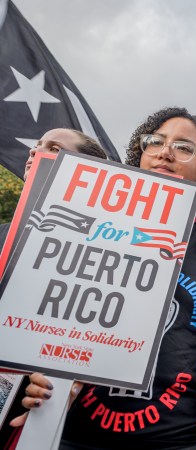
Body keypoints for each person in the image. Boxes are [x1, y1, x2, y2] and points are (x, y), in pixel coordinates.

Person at [14, 107, 196, 450]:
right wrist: (34, 378)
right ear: (139, 153)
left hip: (179, 441)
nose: (165, 152)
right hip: (74, 434)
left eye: (183, 147)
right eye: (156, 142)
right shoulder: (87, 224)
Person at [0, 128, 107, 448]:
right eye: (36, 146)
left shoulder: (106, 250)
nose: (35, 152)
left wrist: (67, 387)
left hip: (44, 408)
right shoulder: (4, 233)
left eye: (54, 148)